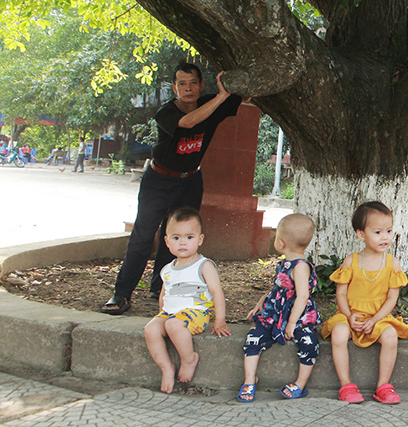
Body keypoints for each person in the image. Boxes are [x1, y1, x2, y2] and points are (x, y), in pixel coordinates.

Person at [101, 63, 242, 315]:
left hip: (191, 181)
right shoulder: (166, 112)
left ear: (201, 85)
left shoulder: (212, 103)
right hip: (159, 180)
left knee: (178, 236)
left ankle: (161, 287)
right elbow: (187, 123)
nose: (188, 88)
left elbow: (247, 94)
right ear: (175, 88)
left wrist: (232, 84)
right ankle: (121, 293)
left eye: (193, 83)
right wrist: (221, 97)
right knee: (143, 235)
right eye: (182, 84)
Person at [320, 201, 408, 404]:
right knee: (339, 333)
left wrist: (375, 320)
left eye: (389, 231)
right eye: (378, 232)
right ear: (361, 235)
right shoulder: (351, 261)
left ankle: (383, 386)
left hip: (378, 317)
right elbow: (341, 293)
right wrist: (349, 316)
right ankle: (346, 385)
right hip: (350, 315)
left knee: (390, 335)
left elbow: (392, 298)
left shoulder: (392, 264)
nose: (385, 237)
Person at [142, 207, 231, 394]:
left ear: (200, 239)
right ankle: (166, 368)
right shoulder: (167, 269)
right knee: (150, 329)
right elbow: (164, 294)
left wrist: (220, 319)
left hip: (196, 313)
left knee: (173, 325)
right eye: (176, 238)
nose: (182, 242)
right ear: (167, 241)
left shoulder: (203, 265)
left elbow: (217, 292)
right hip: (171, 314)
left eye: (189, 237)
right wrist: (160, 316)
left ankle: (189, 359)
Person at [239, 213, 321, 402]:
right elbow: (277, 288)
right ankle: (250, 380)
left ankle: (300, 383)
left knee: (309, 344)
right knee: (253, 337)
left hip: (297, 317)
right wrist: (260, 304)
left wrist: (291, 323)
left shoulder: (300, 266)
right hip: (275, 314)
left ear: (281, 243)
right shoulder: (285, 263)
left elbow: (303, 296)